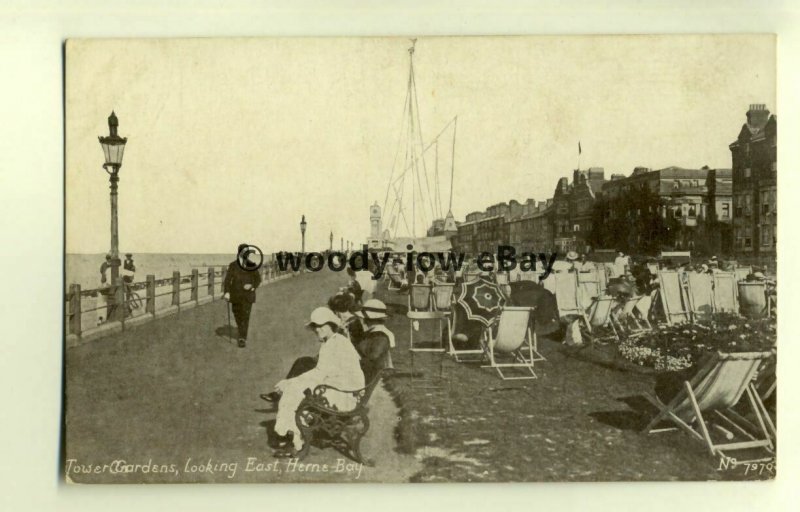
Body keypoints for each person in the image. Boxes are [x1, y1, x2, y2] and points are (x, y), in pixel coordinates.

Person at [270, 307, 364, 457]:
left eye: (320, 326)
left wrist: (289, 382)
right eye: (315, 326)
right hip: (341, 389)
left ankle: (294, 441)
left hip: (345, 395)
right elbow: (323, 373)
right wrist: (292, 382)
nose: (316, 329)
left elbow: (320, 374)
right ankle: (293, 437)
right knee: (295, 390)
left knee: (293, 392)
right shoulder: (335, 341)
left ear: (330, 326)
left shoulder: (336, 344)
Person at [223, 244, 262, 348]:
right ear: (239, 252)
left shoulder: (252, 265)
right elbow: (227, 280)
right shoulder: (233, 265)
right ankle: (241, 330)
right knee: (237, 314)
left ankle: (242, 338)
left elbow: (258, 279)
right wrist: (227, 292)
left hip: (248, 296)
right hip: (235, 296)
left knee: (245, 317)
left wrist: (252, 286)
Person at [353, 299, 395, 382]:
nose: (362, 321)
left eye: (364, 318)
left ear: (370, 319)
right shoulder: (372, 333)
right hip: (370, 375)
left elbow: (372, 359)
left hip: (377, 380)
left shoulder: (380, 337)